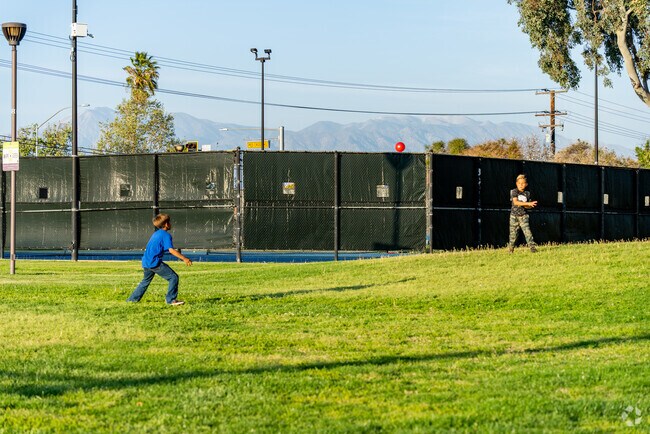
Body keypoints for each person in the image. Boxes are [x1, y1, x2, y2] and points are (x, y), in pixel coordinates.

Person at [127, 213, 192, 305]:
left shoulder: (156, 234)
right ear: (166, 224)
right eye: (169, 222)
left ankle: (131, 300)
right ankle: (171, 300)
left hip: (146, 261)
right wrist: (184, 258)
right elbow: (171, 250)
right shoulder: (166, 235)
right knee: (173, 277)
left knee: (145, 282)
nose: (170, 224)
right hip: (154, 263)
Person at [508, 174, 538, 253]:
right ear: (516, 184)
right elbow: (516, 202)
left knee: (528, 233)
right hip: (513, 216)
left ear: (526, 184)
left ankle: (533, 249)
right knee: (513, 235)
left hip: (523, 216)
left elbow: (527, 206)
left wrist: (530, 205)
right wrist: (528, 203)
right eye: (519, 183)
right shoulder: (514, 191)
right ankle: (510, 250)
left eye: (523, 183)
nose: (521, 185)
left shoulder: (527, 193)